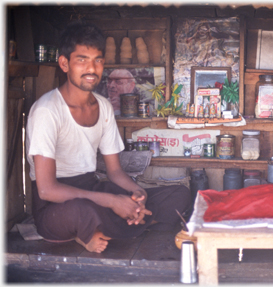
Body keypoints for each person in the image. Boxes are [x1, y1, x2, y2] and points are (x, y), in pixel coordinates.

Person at [25, 21, 191, 253]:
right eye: (82, 60)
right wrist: (111, 202)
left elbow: (114, 172)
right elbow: (47, 190)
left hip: (91, 188)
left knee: (177, 194)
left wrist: (136, 193)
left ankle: (116, 225)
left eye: (98, 60)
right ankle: (117, 227)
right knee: (84, 210)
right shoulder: (47, 111)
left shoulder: (103, 107)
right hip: (56, 205)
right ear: (64, 63)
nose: (91, 68)